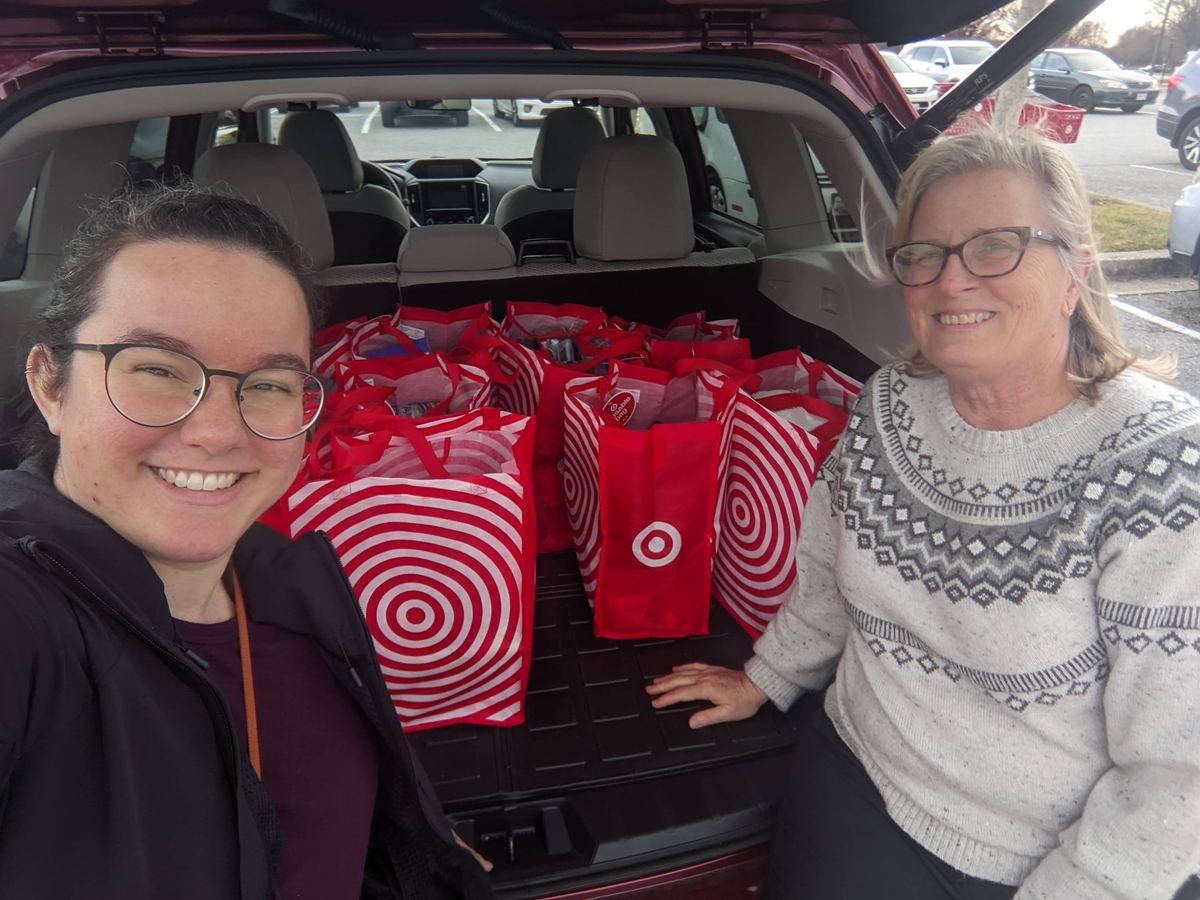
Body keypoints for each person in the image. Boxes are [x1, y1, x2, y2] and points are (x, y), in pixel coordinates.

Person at [647, 126, 1200, 900]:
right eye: (924, 255)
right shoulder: (891, 405)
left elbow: (1181, 776)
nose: (951, 281)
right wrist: (766, 677)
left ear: (1077, 268)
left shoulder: (1163, 468)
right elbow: (826, 568)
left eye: (995, 246)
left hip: (1045, 860)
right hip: (857, 774)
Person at [0, 185, 492, 899]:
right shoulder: (23, 613)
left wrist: (427, 852)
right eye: (160, 370)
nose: (220, 431)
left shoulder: (288, 583)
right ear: (50, 384)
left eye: (267, 383)